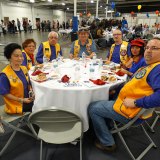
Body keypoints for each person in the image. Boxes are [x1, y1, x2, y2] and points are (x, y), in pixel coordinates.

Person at [89, 37, 160, 152]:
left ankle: (107, 142)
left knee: (92, 108)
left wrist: (135, 102)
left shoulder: (157, 69)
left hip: (129, 111)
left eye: (154, 48)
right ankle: (109, 125)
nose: (149, 51)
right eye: (147, 48)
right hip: (125, 104)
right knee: (110, 95)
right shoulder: (152, 65)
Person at [0, 43, 34, 114]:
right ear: (9, 57)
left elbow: (28, 83)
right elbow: (5, 93)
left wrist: (31, 92)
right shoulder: (5, 74)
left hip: (27, 99)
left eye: (21, 56)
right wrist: (21, 100)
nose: (20, 58)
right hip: (16, 104)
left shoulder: (24, 68)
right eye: (16, 56)